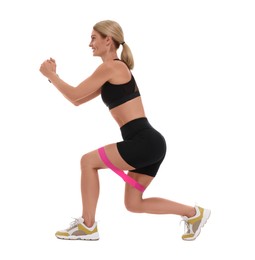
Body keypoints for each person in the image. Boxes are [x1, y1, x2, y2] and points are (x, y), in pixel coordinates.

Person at [39, 20, 210, 241]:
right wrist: (54, 78)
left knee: (88, 161)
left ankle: (87, 225)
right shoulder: (113, 70)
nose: (90, 43)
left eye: (93, 38)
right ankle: (194, 214)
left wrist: (52, 76)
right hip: (150, 143)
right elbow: (77, 101)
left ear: (107, 40)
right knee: (133, 203)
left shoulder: (111, 67)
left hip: (143, 141)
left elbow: (73, 94)